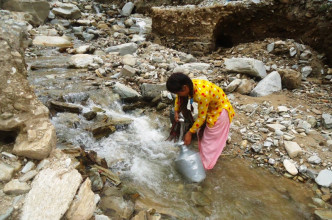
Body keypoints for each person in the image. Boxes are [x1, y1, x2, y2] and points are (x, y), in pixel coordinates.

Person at [166, 73, 235, 170]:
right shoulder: (190, 85)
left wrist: (190, 132)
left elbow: (201, 118)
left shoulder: (201, 95)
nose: (178, 95)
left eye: (178, 92)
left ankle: (206, 167)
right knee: (204, 136)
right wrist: (176, 110)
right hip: (211, 108)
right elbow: (179, 97)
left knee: (208, 142)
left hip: (220, 112)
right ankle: (208, 156)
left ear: (185, 88)